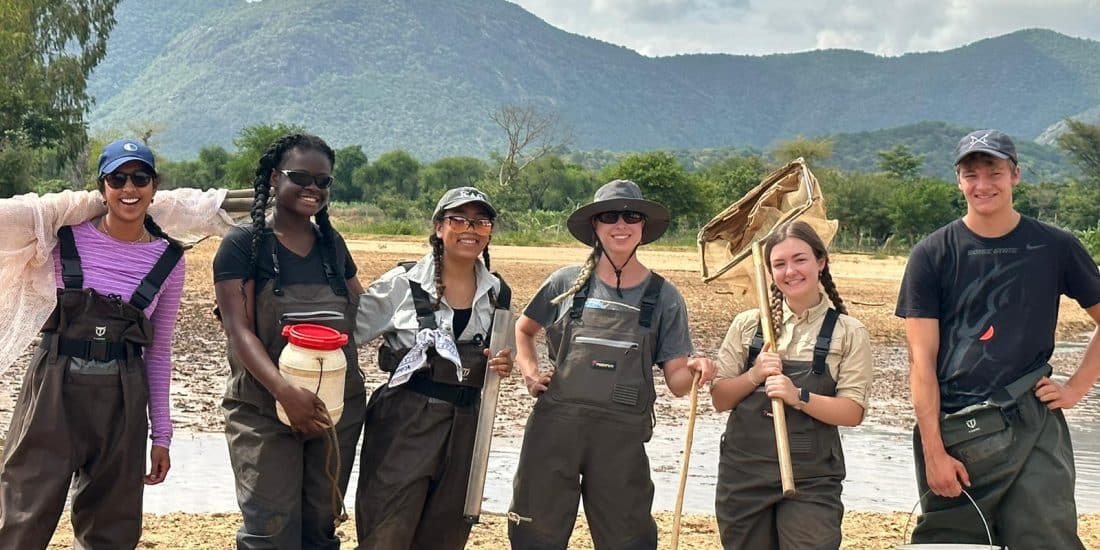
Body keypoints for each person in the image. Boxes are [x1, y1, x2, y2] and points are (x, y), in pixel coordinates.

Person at [896, 129, 1100, 548]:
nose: (982, 184)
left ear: (1015, 176)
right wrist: (934, 451)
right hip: (956, 429)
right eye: (971, 174)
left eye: (994, 172)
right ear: (958, 181)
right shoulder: (932, 254)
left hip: (1033, 421)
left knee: (1047, 540)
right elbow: (922, 361)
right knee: (953, 544)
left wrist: (1076, 388)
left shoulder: (1055, 246)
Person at [507, 179, 715, 550]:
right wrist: (531, 374)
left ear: (643, 227)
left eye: (631, 216)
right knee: (535, 534)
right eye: (609, 216)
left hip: (621, 439)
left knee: (628, 539)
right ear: (595, 227)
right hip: (555, 431)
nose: (621, 224)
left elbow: (677, 382)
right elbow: (523, 330)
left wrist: (699, 370)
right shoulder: (565, 283)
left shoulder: (664, 296)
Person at [0, 139, 186, 548]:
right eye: (117, 178)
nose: (129, 188)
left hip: (124, 396)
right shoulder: (58, 238)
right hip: (53, 389)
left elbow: (158, 351)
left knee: (113, 527)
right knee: (22, 514)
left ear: (155, 186)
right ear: (102, 187)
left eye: (139, 178)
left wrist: (163, 435)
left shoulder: (170, 259)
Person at [213, 133, 365, 549]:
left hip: (334, 409)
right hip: (264, 408)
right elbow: (238, 330)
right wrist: (285, 392)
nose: (313, 188)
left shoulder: (333, 246)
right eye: (301, 177)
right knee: (270, 530)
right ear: (275, 178)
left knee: (319, 528)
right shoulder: (243, 245)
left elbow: (363, 308)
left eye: (324, 181)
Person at [353, 186, 514, 549]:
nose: (470, 229)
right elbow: (348, 335)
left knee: (446, 532)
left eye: (480, 221)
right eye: (458, 219)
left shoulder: (497, 293)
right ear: (439, 227)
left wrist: (505, 361)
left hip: (466, 424)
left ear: (489, 232)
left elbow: (505, 354)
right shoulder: (403, 282)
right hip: (404, 420)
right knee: (387, 528)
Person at [710, 220, 872, 549]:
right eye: (779, 264)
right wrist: (754, 375)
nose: (790, 271)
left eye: (800, 259)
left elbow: (852, 412)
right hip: (743, 476)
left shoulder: (849, 332)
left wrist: (797, 396)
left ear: (820, 262)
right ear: (769, 272)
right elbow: (720, 399)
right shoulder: (748, 325)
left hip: (812, 479)